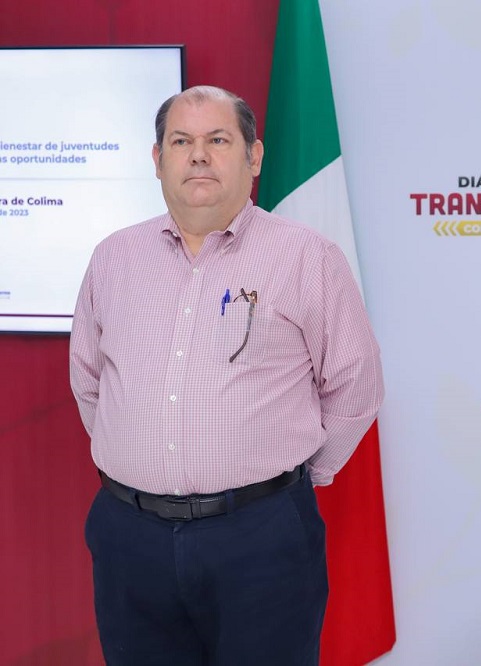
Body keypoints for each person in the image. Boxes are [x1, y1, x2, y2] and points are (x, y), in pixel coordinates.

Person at [69, 85, 384, 666]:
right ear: (157, 159)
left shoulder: (307, 257)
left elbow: (355, 386)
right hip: (129, 537)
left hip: (261, 538)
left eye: (217, 139)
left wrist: (291, 480)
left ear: (253, 156)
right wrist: (140, 461)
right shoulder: (114, 258)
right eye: (180, 141)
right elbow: (89, 381)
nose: (198, 155)